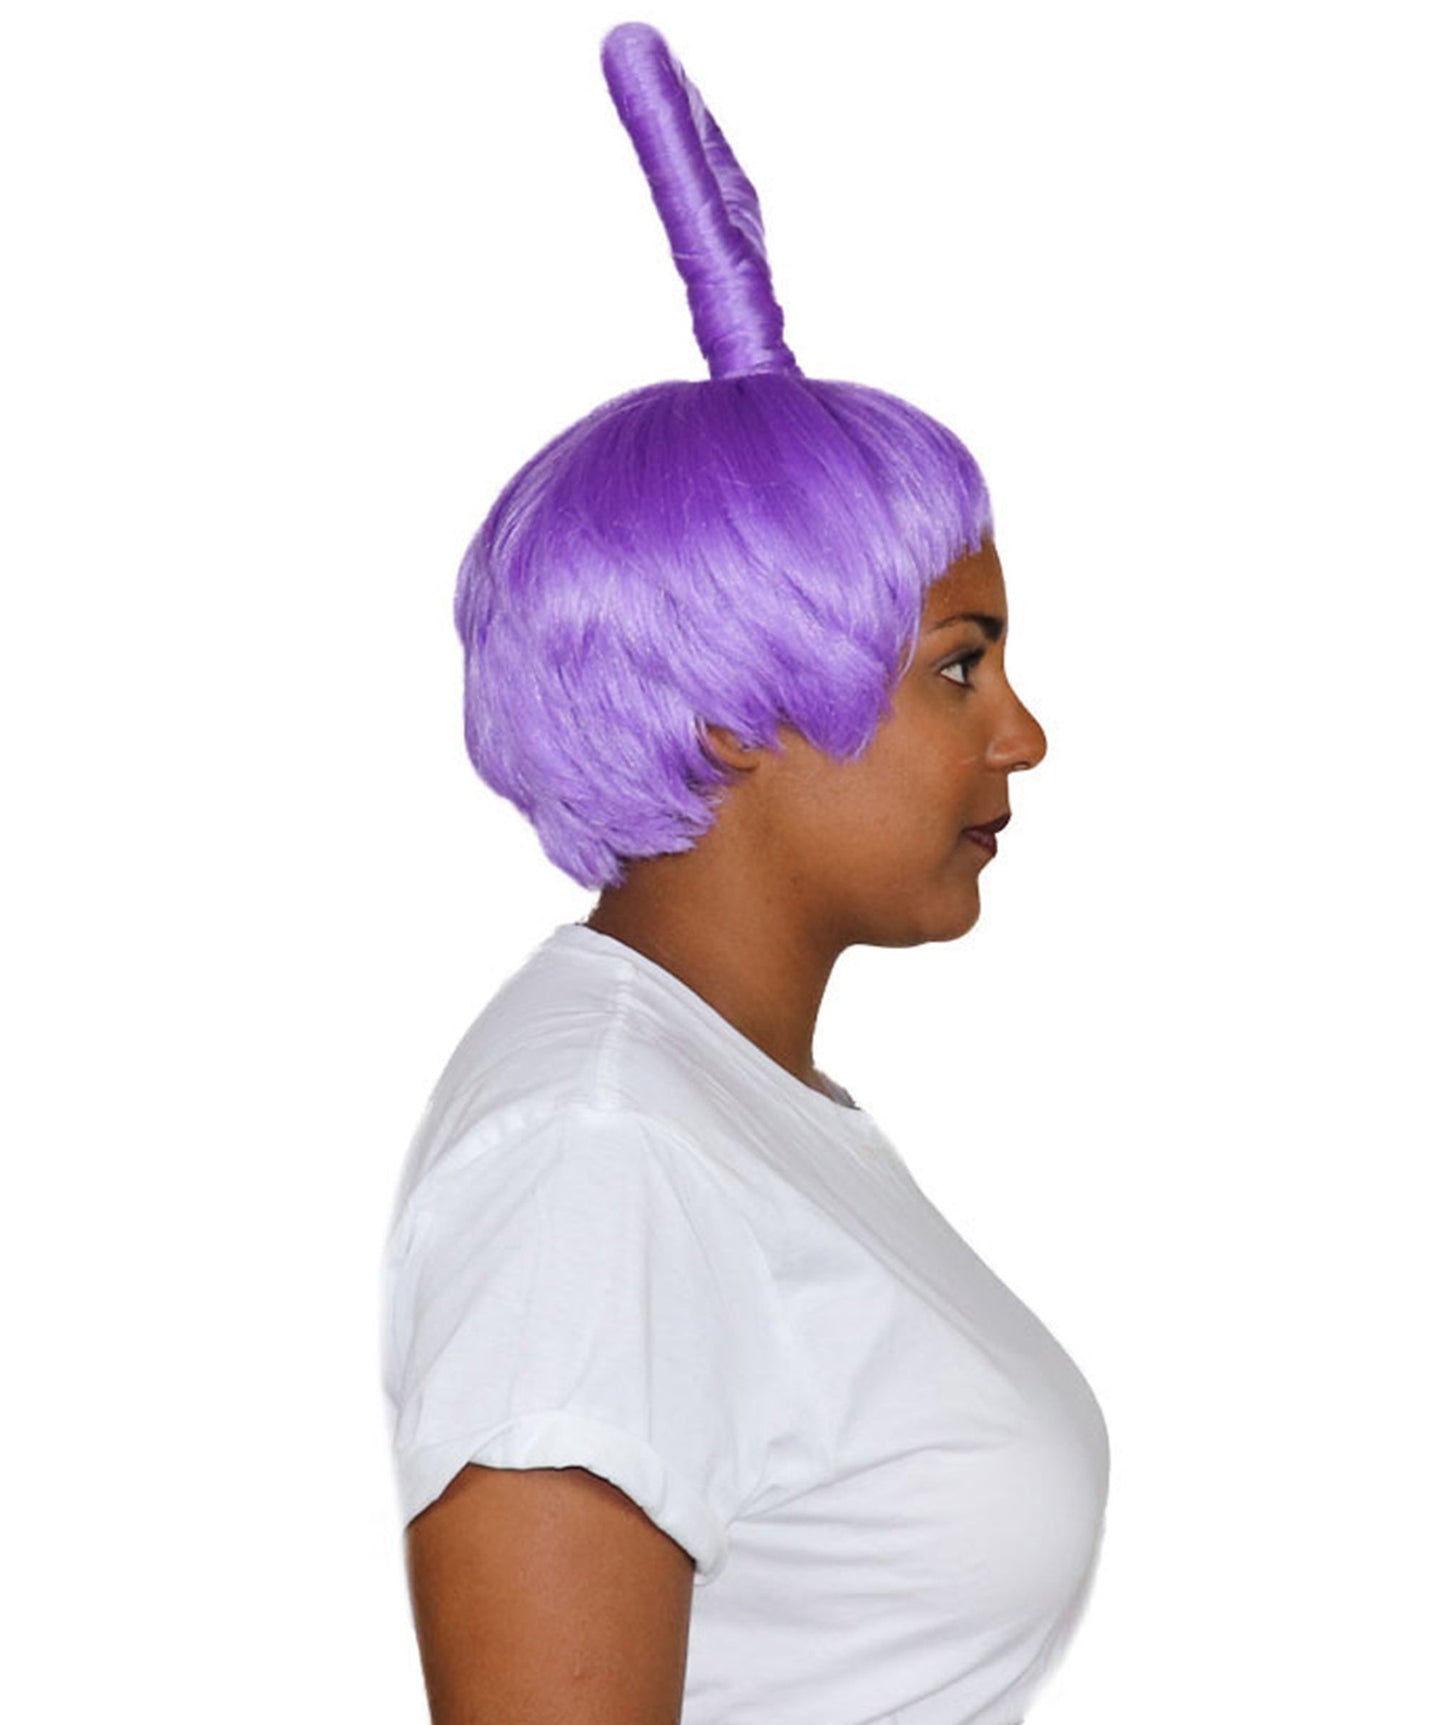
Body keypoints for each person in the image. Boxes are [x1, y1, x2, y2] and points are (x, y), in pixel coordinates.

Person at [381, 21, 1110, 1724]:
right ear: (725, 710)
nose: (1021, 734)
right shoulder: (597, 1154)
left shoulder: (726, 1104)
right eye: (956, 665)